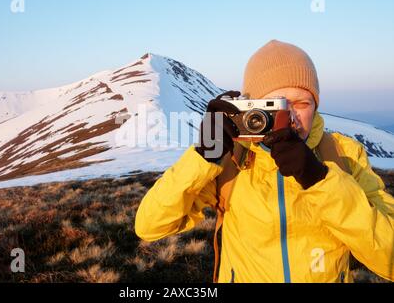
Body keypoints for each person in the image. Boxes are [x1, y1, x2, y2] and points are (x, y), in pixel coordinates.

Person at [134, 40, 394, 283]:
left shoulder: (343, 154)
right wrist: (203, 157)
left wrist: (320, 180)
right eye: (276, 105)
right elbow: (149, 225)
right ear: (252, 107)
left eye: (302, 103)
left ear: (316, 106)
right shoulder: (230, 160)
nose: (289, 117)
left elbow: (389, 258)